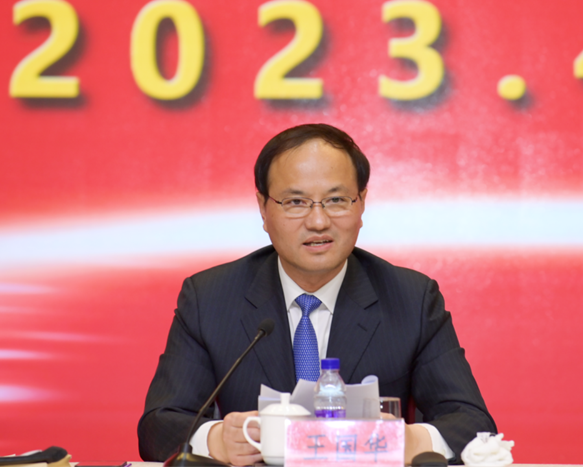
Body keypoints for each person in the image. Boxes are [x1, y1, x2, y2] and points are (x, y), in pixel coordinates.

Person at [138, 124, 496, 465]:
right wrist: (216, 440)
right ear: (263, 208)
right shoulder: (210, 298)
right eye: (296, 202)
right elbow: (158, 427)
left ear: (361, 203)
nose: (319, 222)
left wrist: (406, 441)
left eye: (336, 199)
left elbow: (473, 424)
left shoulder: (411, 299)